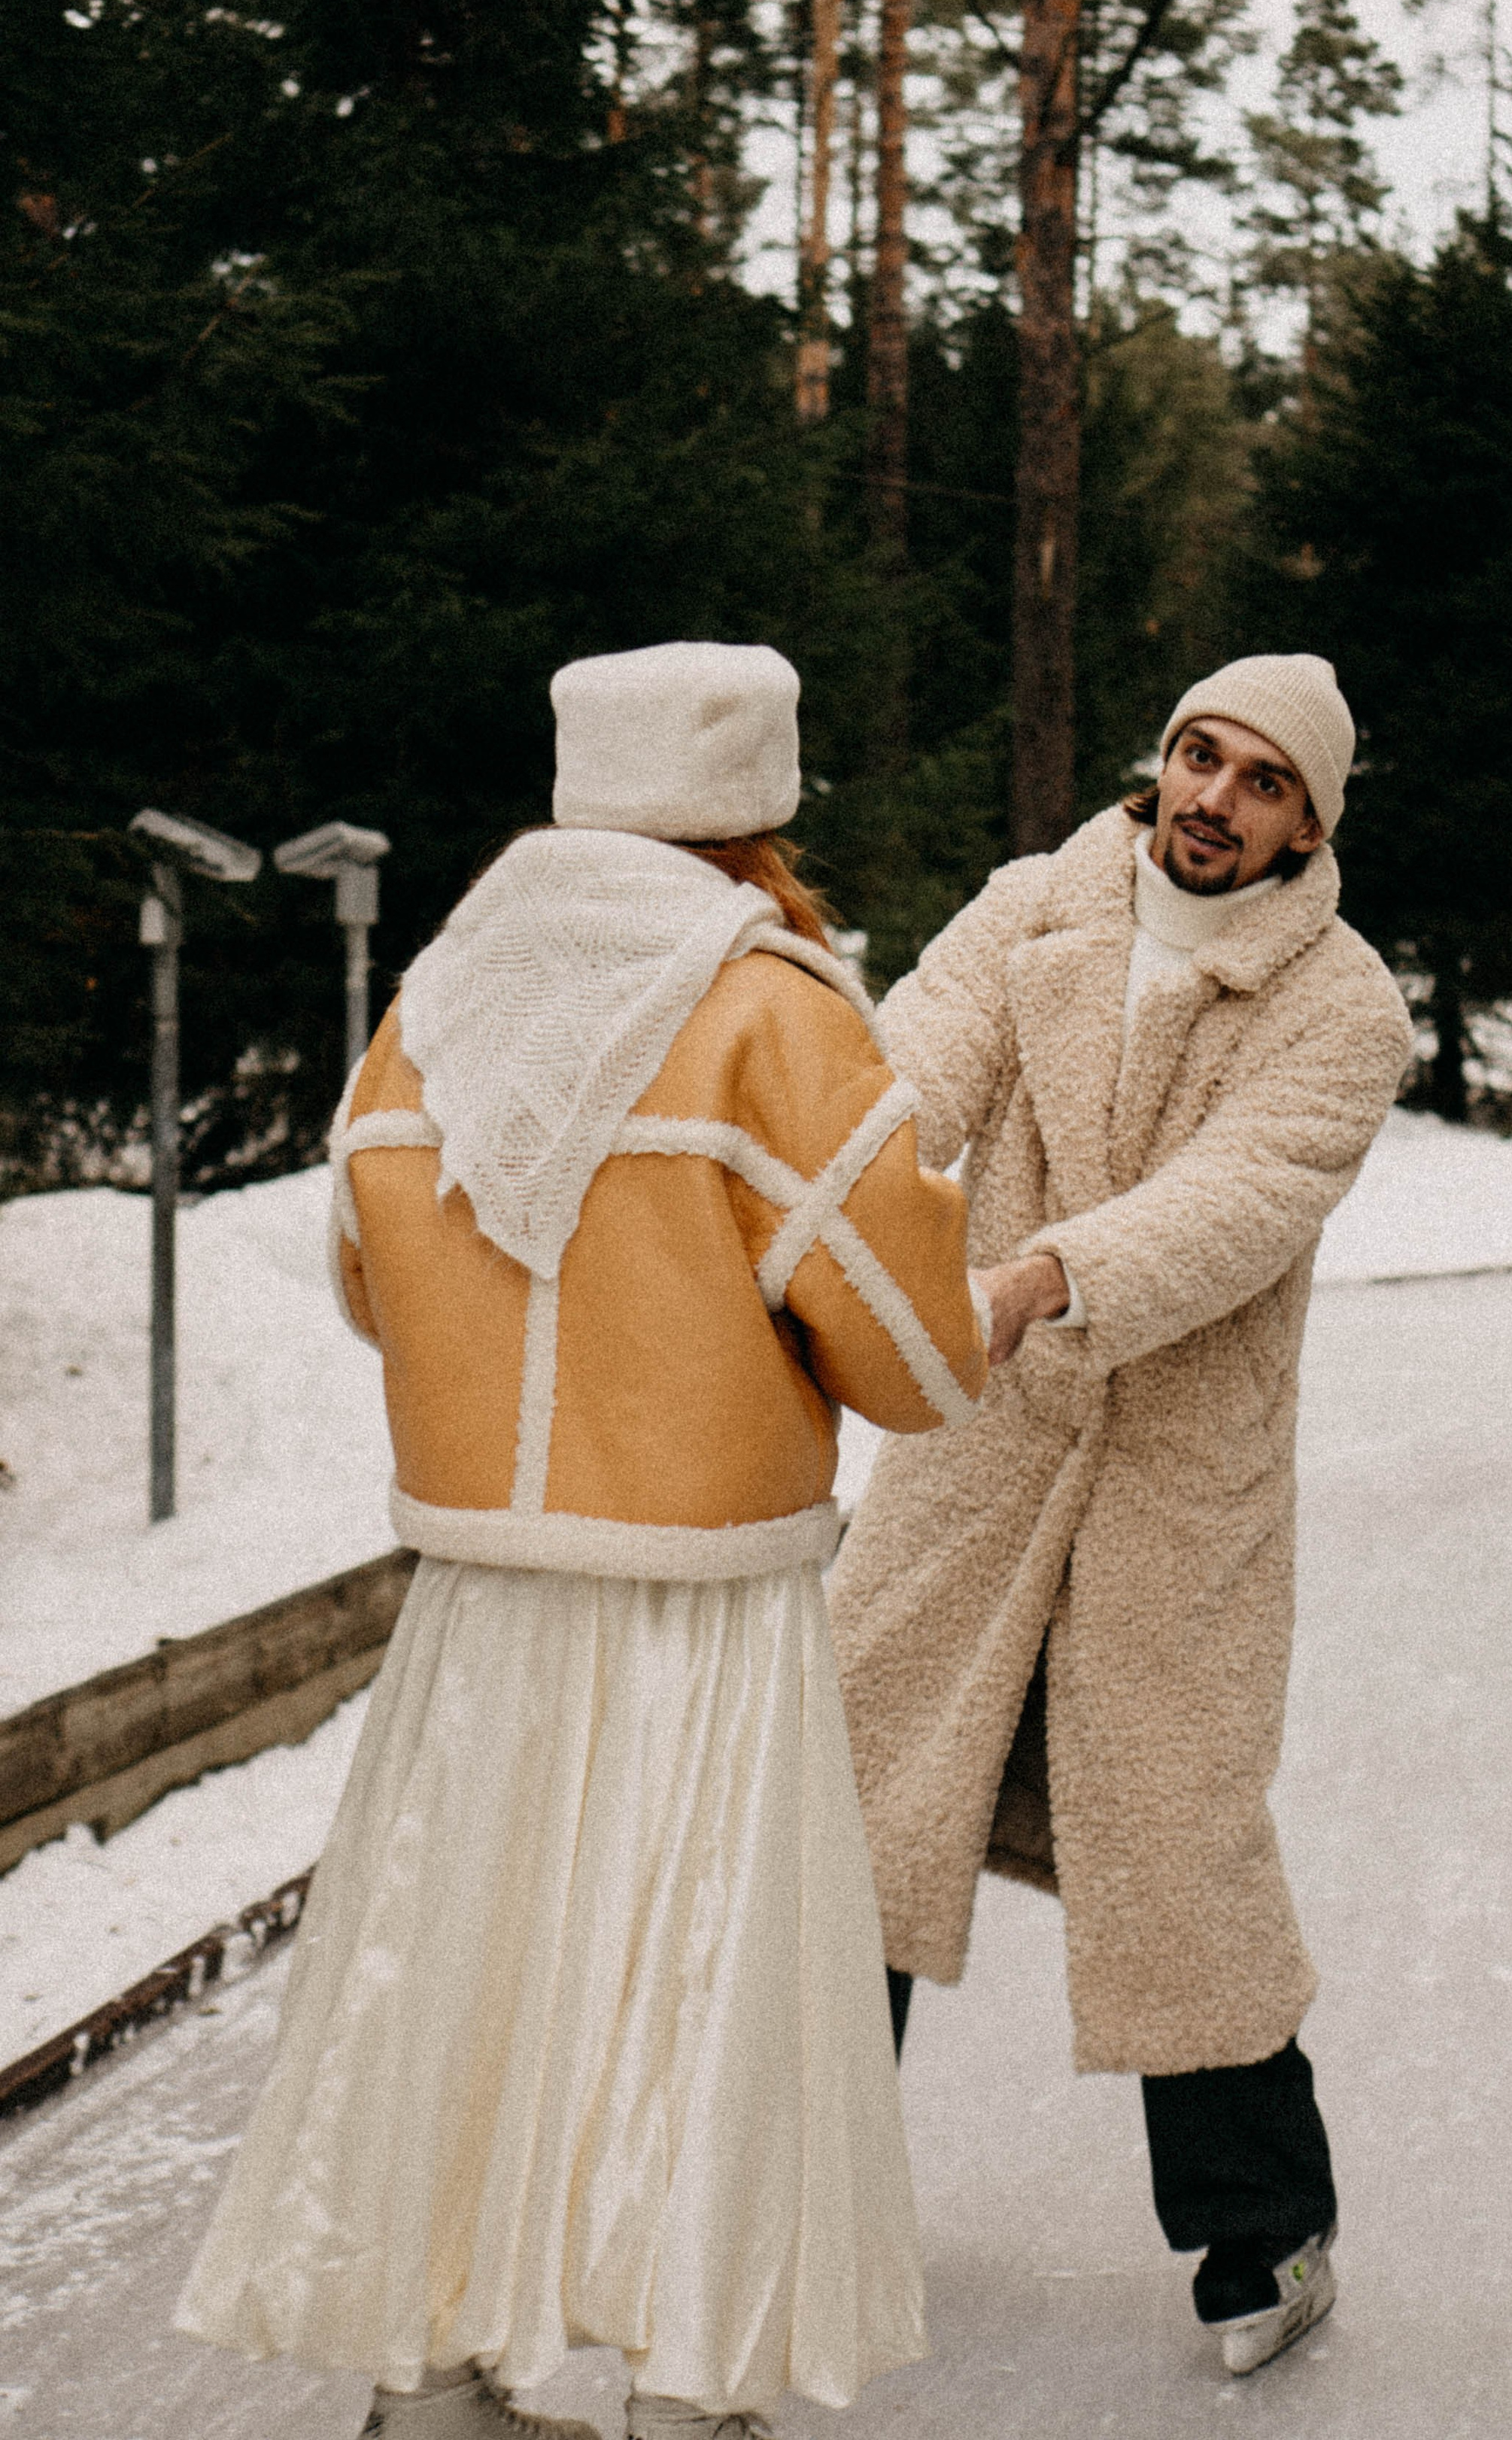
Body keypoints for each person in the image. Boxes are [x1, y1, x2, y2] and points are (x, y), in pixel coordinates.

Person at [177, 642, 986, 2440]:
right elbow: (918, 1361)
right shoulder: (773, 1012)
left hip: (483, 1597)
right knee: (693, 1981)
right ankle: (688, 2388)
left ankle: (433, 2374)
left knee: (459, 1964)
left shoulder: (436, 997)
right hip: (702, 1600)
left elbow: (365, 1280)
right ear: (759, 801)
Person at [829, 654, 1411, 2377]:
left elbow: (1236, 1202)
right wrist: (819, 1203)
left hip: (1173, 1479)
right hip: (976, 1453)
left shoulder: (1341, 1007)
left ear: (1307, 824)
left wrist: (1036, 1278)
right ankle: (797, 2176)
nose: (1213, 798)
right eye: (1196, 756)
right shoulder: (1036, 905)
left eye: (1260, 781)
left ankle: (1266, 2225)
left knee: (1174, 1843)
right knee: (849, 1797)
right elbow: (900, 1085)